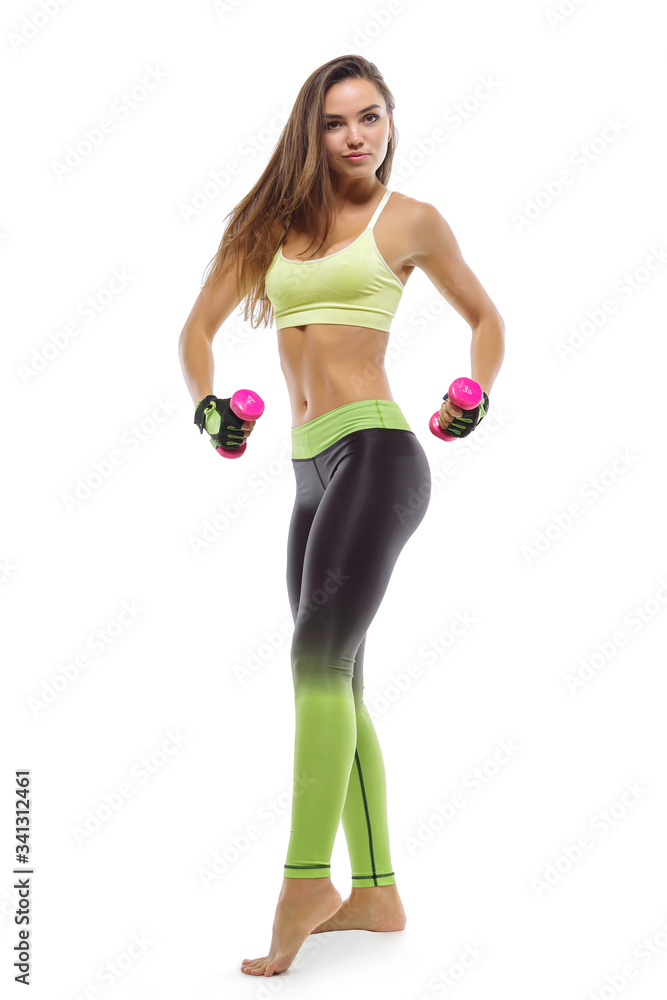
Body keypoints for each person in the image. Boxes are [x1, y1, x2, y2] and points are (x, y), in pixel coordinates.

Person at [178, 54, 505, 978]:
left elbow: (486, 317)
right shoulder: (272, 228)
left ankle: (300, 884)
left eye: (371, 118)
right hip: (308, 470)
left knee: (313, 660)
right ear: (309, 133)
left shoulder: (411, 222)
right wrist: (210, 409)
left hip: (378, 454)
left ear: (390, 125)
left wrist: (473, 393)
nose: (356, 136)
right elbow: (195, 332)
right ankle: (377, 891)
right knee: (337, 676)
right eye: (335, 122)